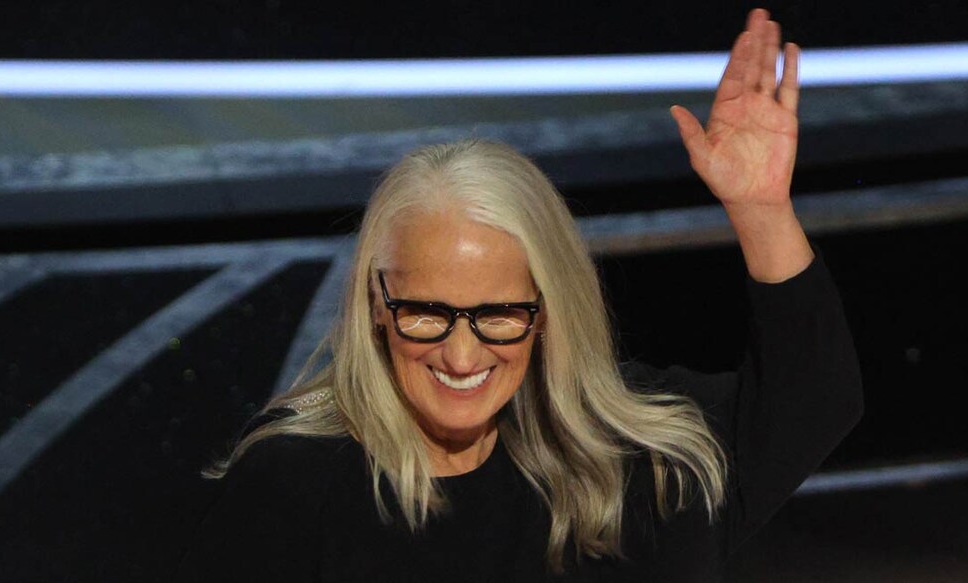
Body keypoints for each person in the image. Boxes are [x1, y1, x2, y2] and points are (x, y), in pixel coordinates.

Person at [175, 8, 862, 582]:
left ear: (548, 311)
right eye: (426, 313)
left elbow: (814, 399)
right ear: (376, 307)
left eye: (498, 313)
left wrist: (761, 210)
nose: (461, 351)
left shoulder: (636, 464)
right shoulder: (292, 485)